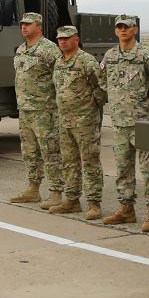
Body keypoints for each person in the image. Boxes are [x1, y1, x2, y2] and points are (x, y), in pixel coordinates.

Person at [99, 14, 149, 232]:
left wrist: (146, 91)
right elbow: (102, 79)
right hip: (119, 122)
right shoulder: (110, 55)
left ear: (135, 30)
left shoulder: (144, 54)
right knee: (122, 169)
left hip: (141, 121)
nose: (123, 30)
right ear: (116, 31)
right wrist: (114, 95)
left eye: (127, 27)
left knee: (148, 170)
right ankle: (126, 210)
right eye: (119, 27)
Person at [49, 26, 106, 219]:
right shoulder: (58, 62)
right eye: (60, 39)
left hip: (85, 121)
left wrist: (92, 112)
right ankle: (72, 200)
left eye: (67, 38)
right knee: (69, 162)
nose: (63, 41)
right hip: (65, 121)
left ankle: (94, 203)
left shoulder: (86, 61)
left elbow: (100, 89)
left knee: (90, 162)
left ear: (77, 40)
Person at [7, 12, 64, 206]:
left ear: (39, 27)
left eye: (28, 24)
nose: (24, 27)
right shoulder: (21, 49)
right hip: (25, 109)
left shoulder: (49, 49)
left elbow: (60, 78)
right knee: (29, 151)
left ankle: (56, 191)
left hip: (44, 110)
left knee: (50, 151)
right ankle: (33, 188)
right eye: (22, 24)